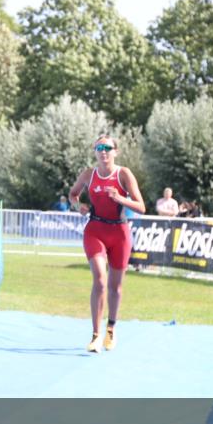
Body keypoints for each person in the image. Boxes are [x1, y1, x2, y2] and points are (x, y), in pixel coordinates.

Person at [68, 134, 145, 353]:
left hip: (119, 233)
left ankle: (111, 328)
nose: (103, 152)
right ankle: (95, 335)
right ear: (94, 152)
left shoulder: (123, 174)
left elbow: (141, 207)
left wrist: (120, 198)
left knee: (115, 286)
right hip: (95, 231)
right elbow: (73, 195)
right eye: (99, 148)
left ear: (115, 152)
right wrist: (79, 206)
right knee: (100, 280)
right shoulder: (88, 174)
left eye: (108, 148)